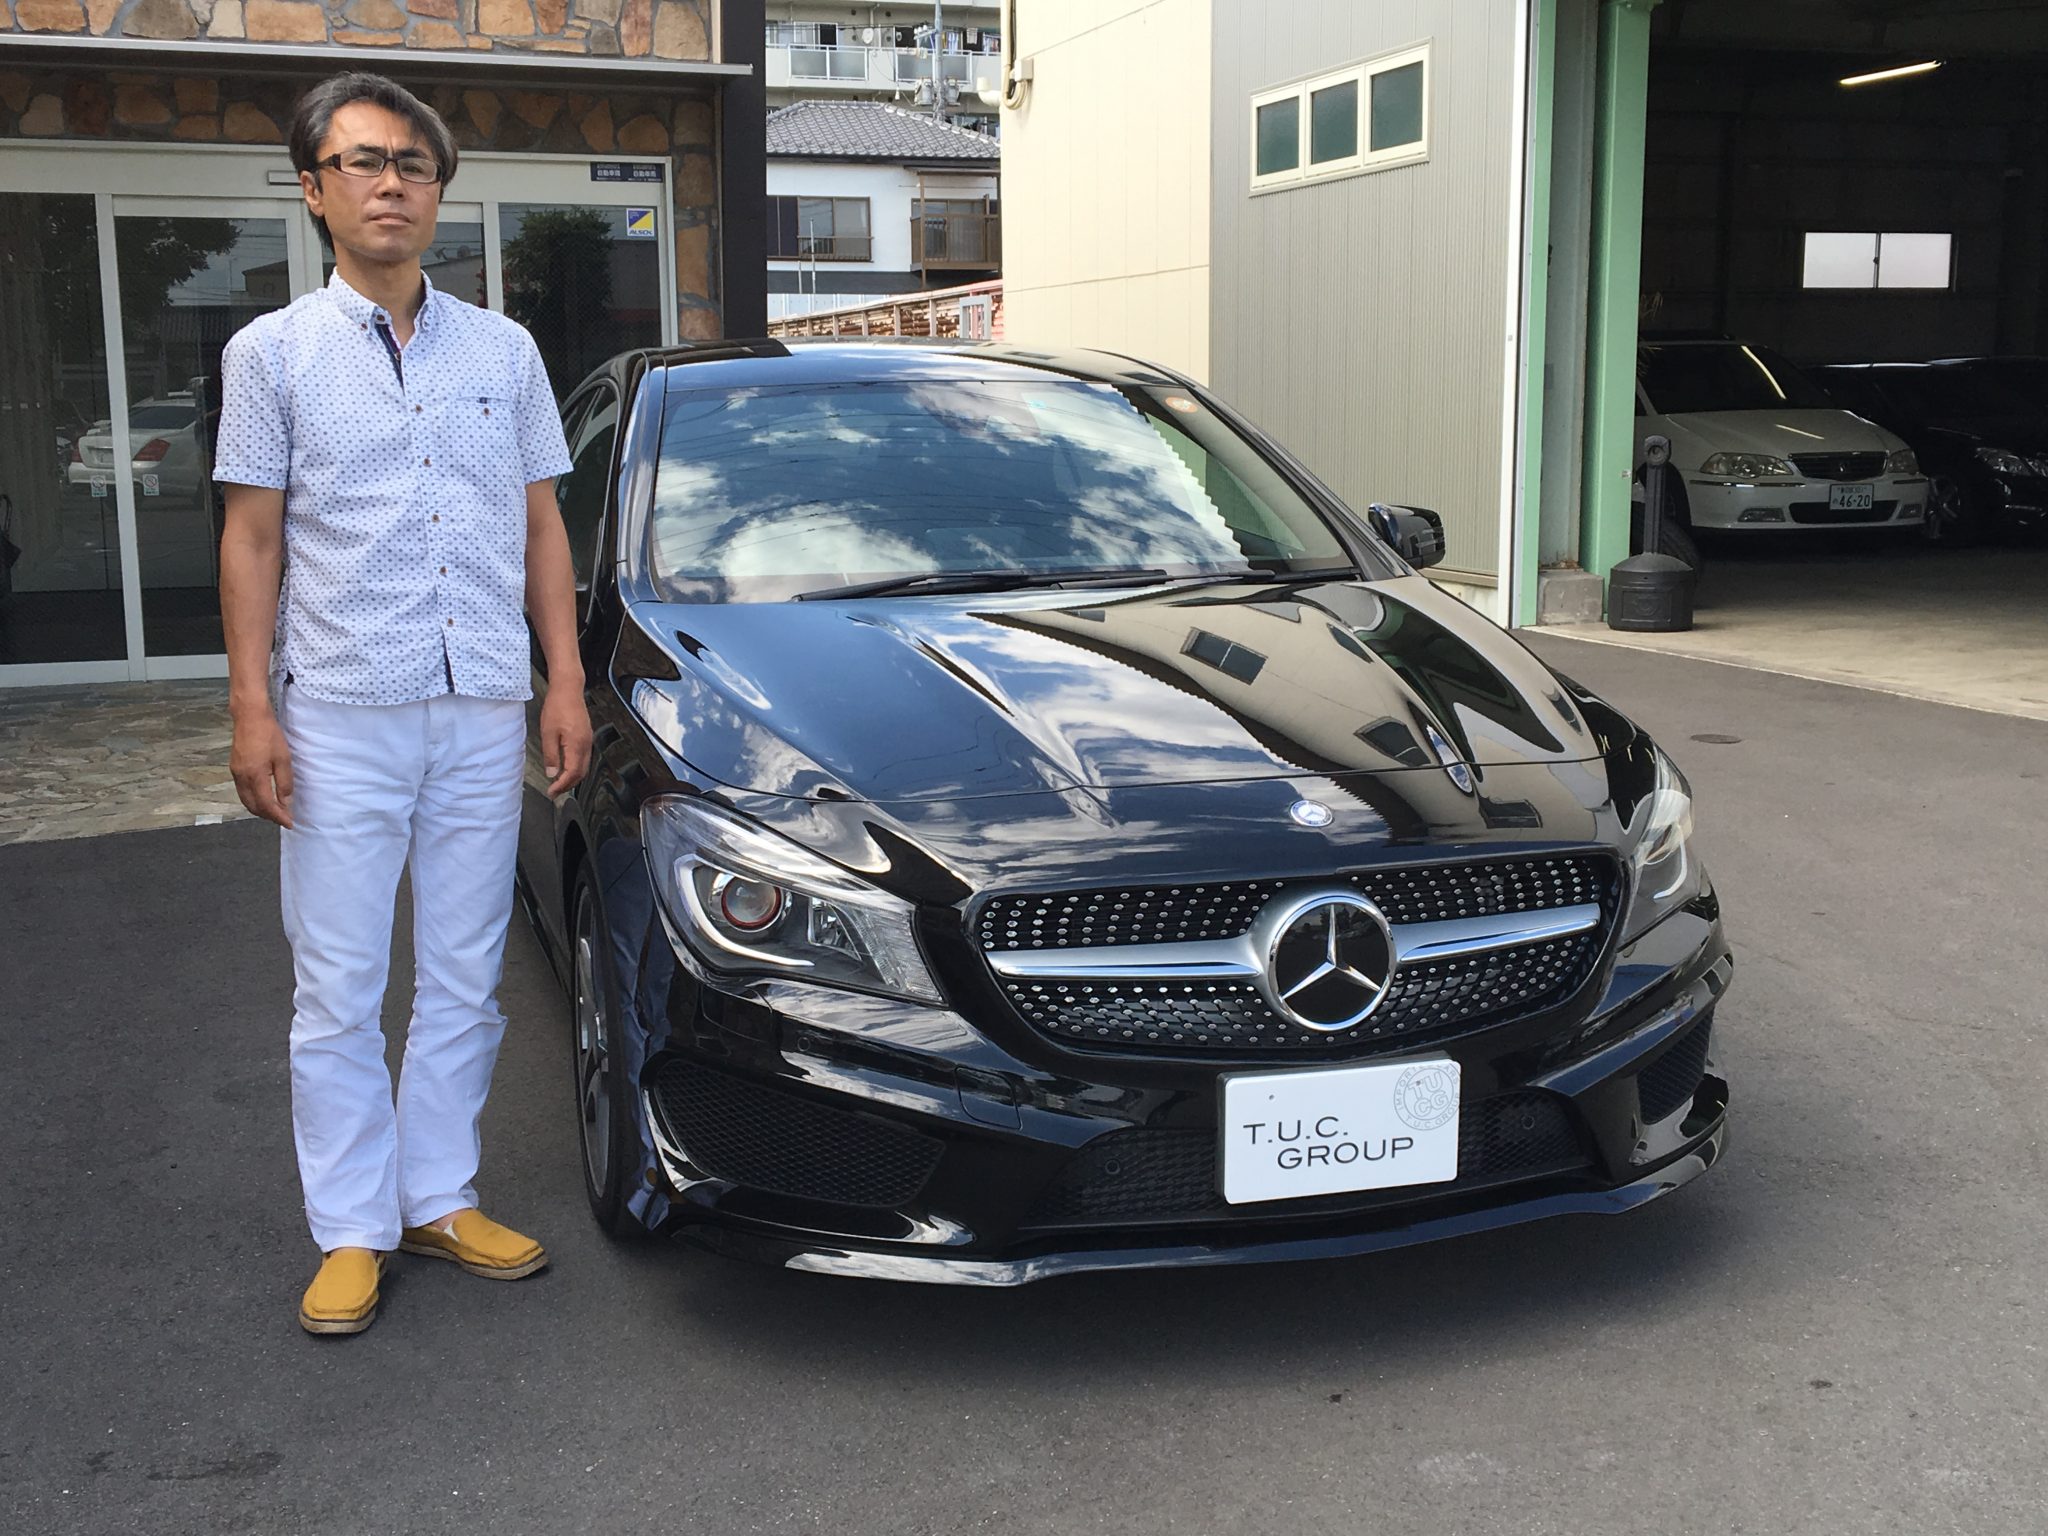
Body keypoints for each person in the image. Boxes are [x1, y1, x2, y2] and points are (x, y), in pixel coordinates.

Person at [214, 72, 592, 1336]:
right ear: (314, 190)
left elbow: (542, 526)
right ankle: (350, 1226)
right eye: (362, 162)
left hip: (480, 703)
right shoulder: (270, 354)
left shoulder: (505, 351)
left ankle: (437, 1194)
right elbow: (252, 540)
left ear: (438, 192)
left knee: (466, 976)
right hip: (338, 711)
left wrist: (563, 679)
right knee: (337, 986)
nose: (390, 183)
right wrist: (251, 709)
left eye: (412, 165)